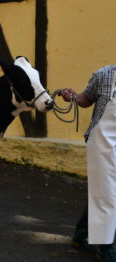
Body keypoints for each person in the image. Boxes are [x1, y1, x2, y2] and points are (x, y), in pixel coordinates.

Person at [60, 65, 116, 262]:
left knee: (104, 190)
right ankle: (105, 246)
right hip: (102, 140)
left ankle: (80, 234)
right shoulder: (104, 74)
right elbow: (86, 99)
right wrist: (72, 96)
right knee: (107, 191)